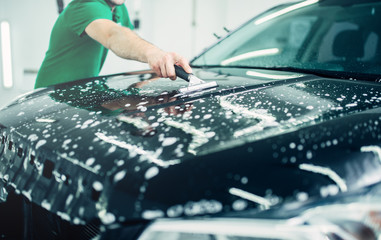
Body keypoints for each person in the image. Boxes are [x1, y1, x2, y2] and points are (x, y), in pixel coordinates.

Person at [34, 0, 192, 88]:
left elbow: (130, 39)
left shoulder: (119, 8)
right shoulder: (84, 5)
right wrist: (154, 54)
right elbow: (113, 35)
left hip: (82, 91)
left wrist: (157, 70)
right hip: (50, 94)